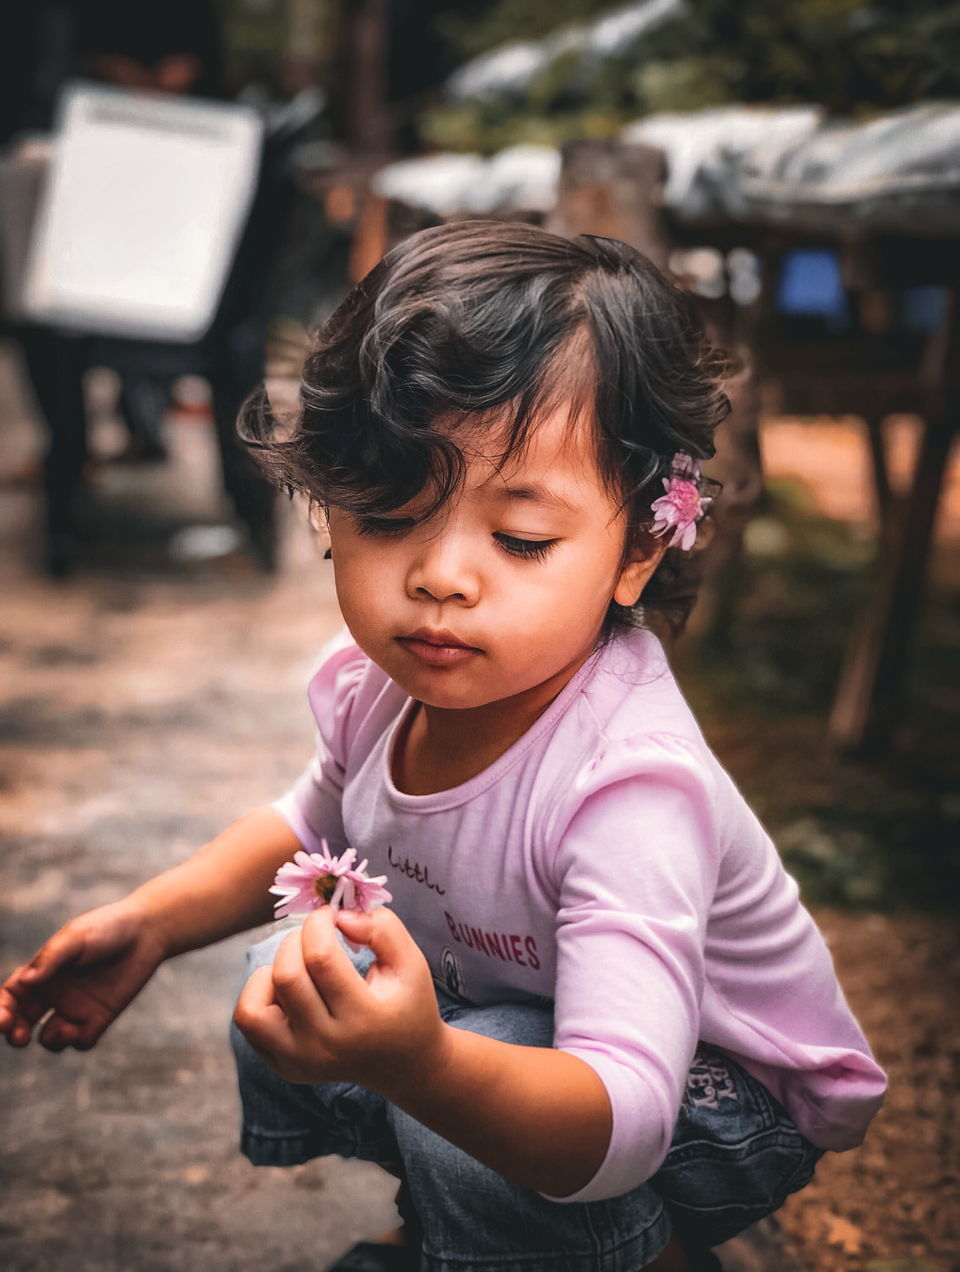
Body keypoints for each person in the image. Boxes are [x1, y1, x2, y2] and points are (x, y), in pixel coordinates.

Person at [0, 222, 886, 1272]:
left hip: (717, 1095)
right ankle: (462, 1224)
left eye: (520, 539)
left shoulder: (630, 784)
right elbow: (312, 822)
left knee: (462, 1078)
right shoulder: (381, 684)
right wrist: (150, 923)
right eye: (392, 512)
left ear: (639, 547)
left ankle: (642, 1251)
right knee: (294, 975)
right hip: (540, 1022)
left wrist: (423, 1063)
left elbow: (626, 1109)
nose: (442, 577)